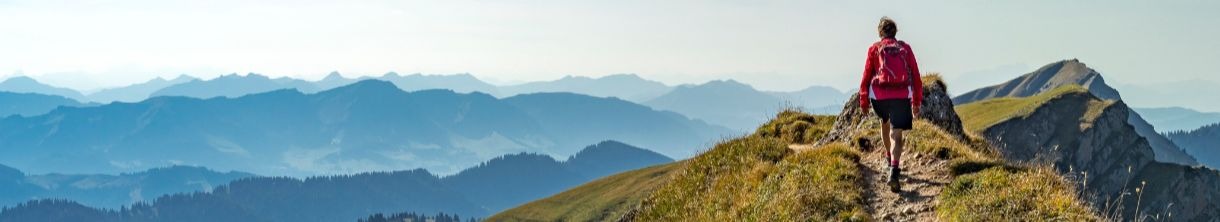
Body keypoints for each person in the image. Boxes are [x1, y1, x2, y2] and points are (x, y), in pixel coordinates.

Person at [858, 16, 923, 192]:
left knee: (884, 123)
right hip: (901, 95)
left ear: (880, 33)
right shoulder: (905, 48)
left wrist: (864, 100)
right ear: (895, 32)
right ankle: (894, 169)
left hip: (879, 97)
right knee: (897, 135)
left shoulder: (874, 49)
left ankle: (888, 157)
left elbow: (865, 77)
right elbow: (916, 77)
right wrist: (916, 102)